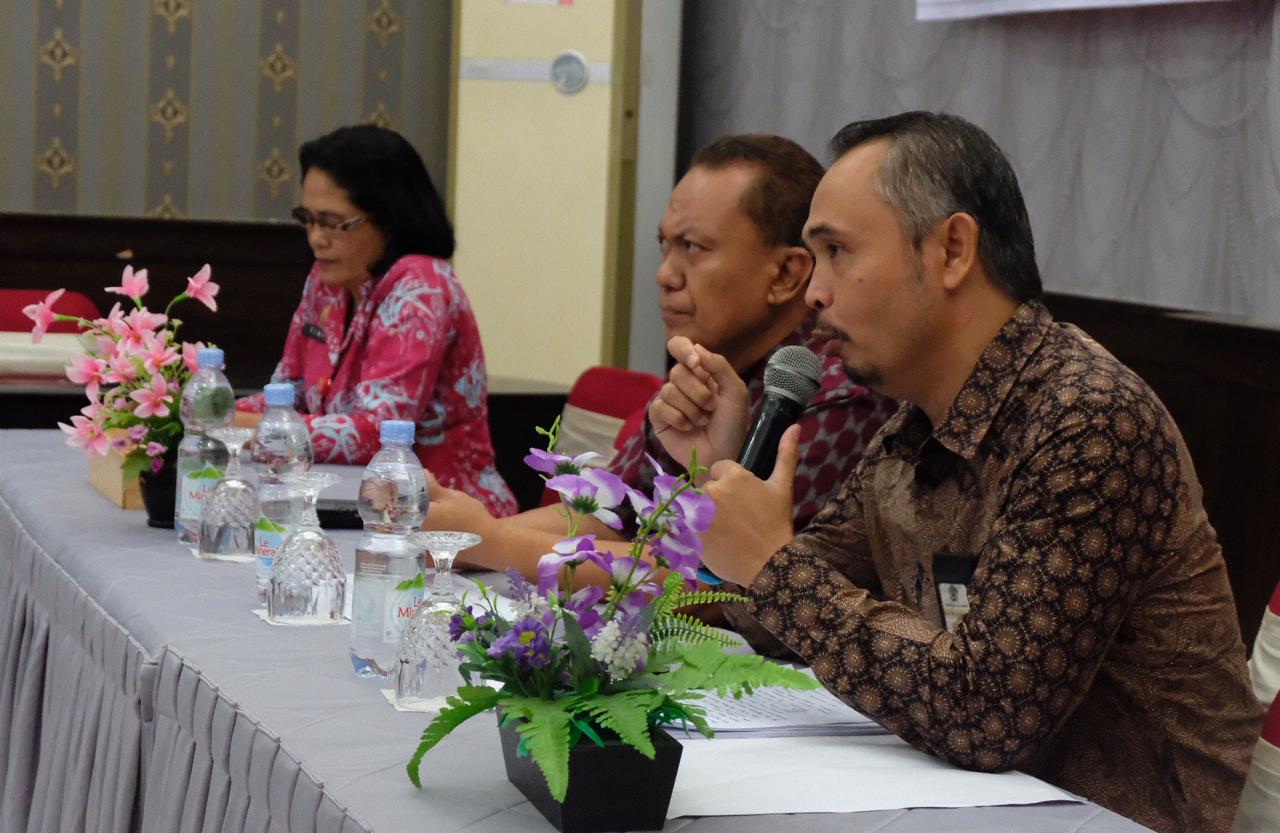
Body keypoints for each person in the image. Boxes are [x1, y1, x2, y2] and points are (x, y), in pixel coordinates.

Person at [651, 112, 1261, 833]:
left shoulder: (1087, 418)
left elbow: (988, 711)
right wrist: (719, 475)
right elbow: (758, 613)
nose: (814, 293)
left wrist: (773, 566)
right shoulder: (913, 429)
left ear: (952, 250)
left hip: (1133, 829)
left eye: (837, 252)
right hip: (980, 814)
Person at [423, 135, 896, 612]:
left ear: (786, 275)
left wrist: (488, 541)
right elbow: (608, 515)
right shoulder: (704, 369)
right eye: (664, 245)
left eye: (693, 247)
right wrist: (457, 535)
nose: (665, 275)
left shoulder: (831, 391)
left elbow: (714, 585)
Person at [236, 125, 517, 517]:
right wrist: (213, 411)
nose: (316, 239)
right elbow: (289, 392)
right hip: (355, 504)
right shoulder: (326, 282)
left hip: (445, 519)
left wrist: (253, 428)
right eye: (308, 219)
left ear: (388, 217)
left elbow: (377, 433)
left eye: (332, 222)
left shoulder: (422, 287)